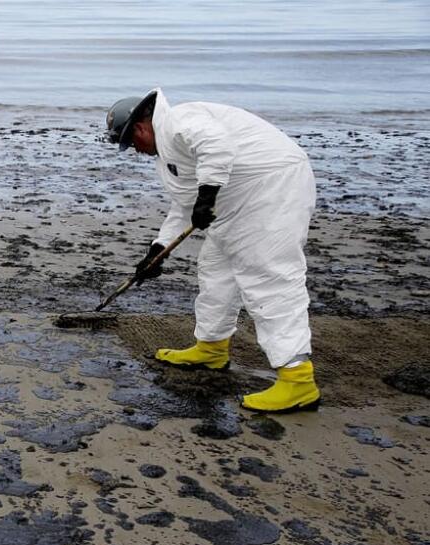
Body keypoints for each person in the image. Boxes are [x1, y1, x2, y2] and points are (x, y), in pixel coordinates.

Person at [106, 88, 321, 412]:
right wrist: (157, 251)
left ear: (139, 128)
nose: (135, 150)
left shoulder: (180, 121)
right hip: (236, 201)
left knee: (267, 278)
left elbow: (217, 146)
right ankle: (212, 348)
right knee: (215, 268)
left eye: (131, 143)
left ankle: (298, 380)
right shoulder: (169, 155)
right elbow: (183, 207)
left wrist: (207, 195)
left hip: (271, 188)